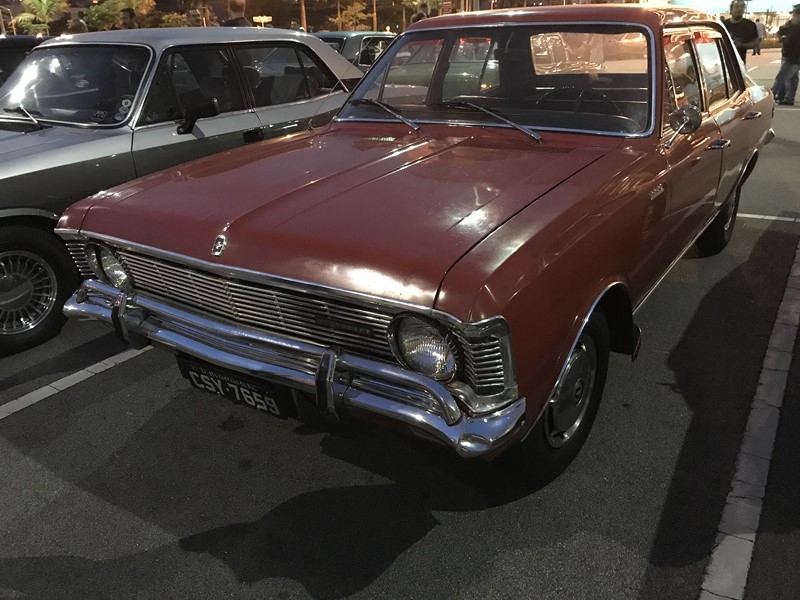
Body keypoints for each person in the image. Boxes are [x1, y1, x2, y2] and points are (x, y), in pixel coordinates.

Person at [772, 5, 800, 106]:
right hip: (788, 54)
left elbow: (790, 41)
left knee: (783, 76)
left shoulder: (796, 27)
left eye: (794, 14)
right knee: (792, 77)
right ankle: (787, 97)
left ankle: (774, 94)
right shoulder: (790, 25)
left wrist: (784, 39)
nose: (793, 17)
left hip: (794, 56)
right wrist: (782, 36)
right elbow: (779, 33)